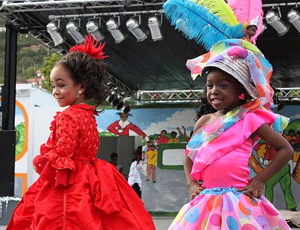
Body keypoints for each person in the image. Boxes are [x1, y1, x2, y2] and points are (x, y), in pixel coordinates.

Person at [6, 35, 155, 230]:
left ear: (81, 86)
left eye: (61, 85)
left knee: (61, 219)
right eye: (53, 86)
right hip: (92, 178)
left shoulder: (67, 117)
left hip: (70, 182)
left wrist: (45, 159)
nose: (55, 91)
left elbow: (63, 153)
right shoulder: (88, 115)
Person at [168, 39, 294, 229]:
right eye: (210, 86)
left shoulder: (250, 119)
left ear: (240, 91)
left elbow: (286, 149)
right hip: (205, 201)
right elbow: (189, 157)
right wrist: (192, 184)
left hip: (237, 201)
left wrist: (259, 180)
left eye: (223, 86)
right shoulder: (204, 122)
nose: (214, 91)